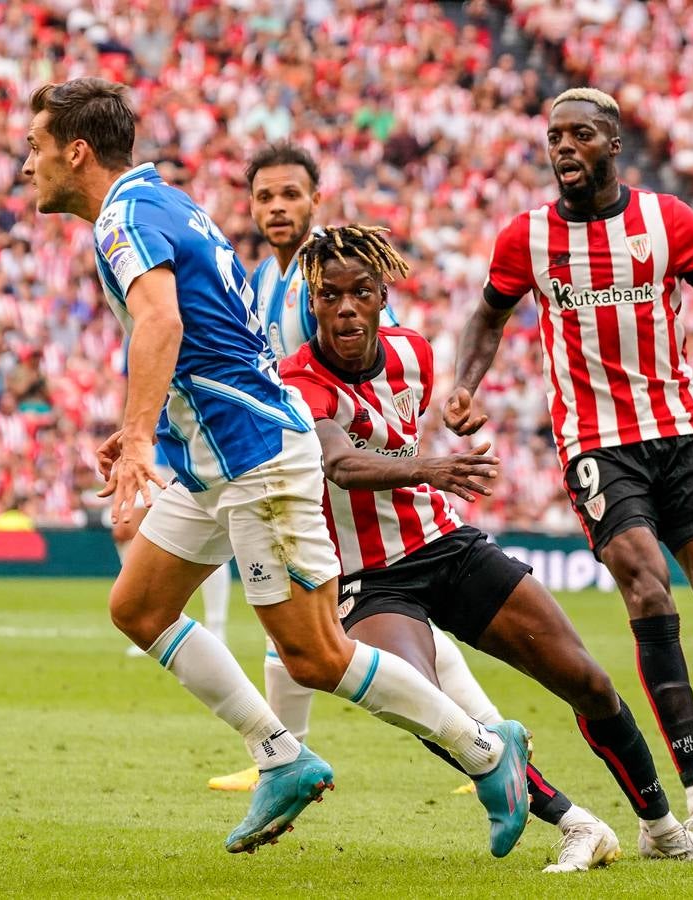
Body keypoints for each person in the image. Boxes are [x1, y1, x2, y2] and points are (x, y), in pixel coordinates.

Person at [21, 77, 531, 857]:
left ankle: (486, 750)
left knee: (316, 655)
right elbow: (202, 339)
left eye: (35, 148)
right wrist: (145, 435)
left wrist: (136, 434)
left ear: (76, 150)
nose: (27, 166)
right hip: (215, 460)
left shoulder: (124, 219)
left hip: (257, 458)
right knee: (139, 608)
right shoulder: (160, 201)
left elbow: (161, 319)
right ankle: (280, 755)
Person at [281, 223, 693, 867]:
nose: (346, 307)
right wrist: (431, 468)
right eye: (330, 296)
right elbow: (339, 464)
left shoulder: (413, 352)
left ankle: (662, 829)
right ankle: (572, 820)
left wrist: (460, 414)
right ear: (312, 301)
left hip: (447, 545)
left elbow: (412, 425)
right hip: (369, 577)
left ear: (384, 293)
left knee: (585, 679)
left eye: (361, 291)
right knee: (428, 704)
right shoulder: (297, 382)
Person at [446, 88, 693, 835]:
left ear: (612, 143)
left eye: (579, 135)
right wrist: (463, 384)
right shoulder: (525, 237)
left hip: (682, 432)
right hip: (595, 442)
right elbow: (486, 315)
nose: (562, 148)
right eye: (553, 137)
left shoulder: (666, 221)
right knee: (646, 592)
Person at [209, 144, 506, 798]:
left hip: (345, 466)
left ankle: (480, 735)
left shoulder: (334, 271)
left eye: (290, 194)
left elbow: (384, 357)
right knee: (298, 608)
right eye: (264, 197)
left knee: (310, 607)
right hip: (300, 462)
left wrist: (404, 441)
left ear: (315, 198)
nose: (277, 208)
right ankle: (287, 753)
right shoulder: (262, 279)